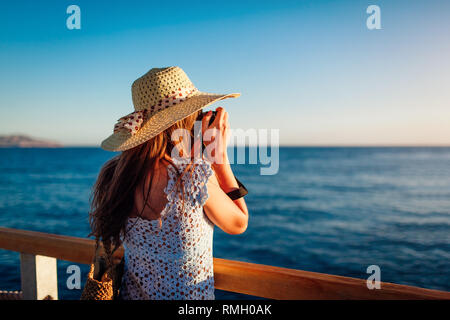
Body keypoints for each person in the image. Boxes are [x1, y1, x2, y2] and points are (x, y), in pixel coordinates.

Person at [89, 66, 249, 300]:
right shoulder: (193, 176)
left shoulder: (115, 173)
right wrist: (219, 158)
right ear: (186, 120)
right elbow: (239, 223)